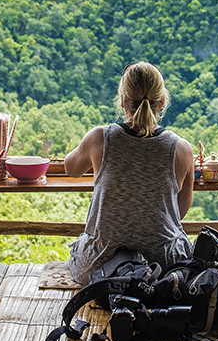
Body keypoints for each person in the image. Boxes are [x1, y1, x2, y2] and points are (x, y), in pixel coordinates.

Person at [64, 62, 196, 285]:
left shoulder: (99, 138)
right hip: (164, 268)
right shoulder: (181, 149)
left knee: (83, 242)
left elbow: (71, 168)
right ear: (162, 102)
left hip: (100, 268)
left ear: (123, 101)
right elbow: (181, 210)